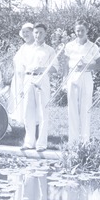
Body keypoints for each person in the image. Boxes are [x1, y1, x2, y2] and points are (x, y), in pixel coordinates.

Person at [19, 23, 59, 152]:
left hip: (42, 79)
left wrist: (42, 69)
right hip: (28, 79)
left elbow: (55, 69)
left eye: (41, 32)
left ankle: (41, 144)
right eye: (36, 32)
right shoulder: (26, 48)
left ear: (45, 34)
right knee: (27, 112)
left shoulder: (49, 50)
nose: (38, 35)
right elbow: (21, 68)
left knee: (42, 112)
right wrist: (21, 85)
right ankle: (29, 142)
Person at [63, 20, 100, 146]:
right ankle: (73, 142)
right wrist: (65, 79)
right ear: (75, 31)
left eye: (82, 30)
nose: (79, 33)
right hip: (72, 76)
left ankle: (85, 141)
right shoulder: (69, 46)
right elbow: (65, 64)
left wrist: (86, 66)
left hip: (86, 77)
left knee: (86, 109)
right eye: (77, 30)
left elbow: (99, 65)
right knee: (72, 109)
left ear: (87, 31)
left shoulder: (93, 46)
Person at [7, 22, 35, 125]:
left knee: (28, 100)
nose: (25, 34)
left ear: (33, 33)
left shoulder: (35, 47)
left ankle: (29, 122)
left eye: (27, 32)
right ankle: (21, 120)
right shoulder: (23, 46)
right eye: (23, 32)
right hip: (18, 78)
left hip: (27, 78)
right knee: (18, 99)